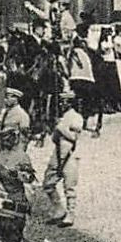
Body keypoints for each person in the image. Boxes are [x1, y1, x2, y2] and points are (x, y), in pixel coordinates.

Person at [43, 90, 82, 228]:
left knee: (69, 186)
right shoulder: (62, 117)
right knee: (48, 183)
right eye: (61, 101)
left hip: (70, 154)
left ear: (70, 103)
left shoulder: (76, 117)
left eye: (65, 101)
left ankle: (70, 214)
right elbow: (54, 138)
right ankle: (58, 209)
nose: (62, 104)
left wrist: (61, 128)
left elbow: (74, 137)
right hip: (57, 153)